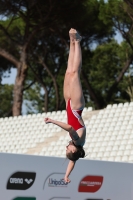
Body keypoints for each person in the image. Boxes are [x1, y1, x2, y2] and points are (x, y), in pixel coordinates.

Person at [44, 28, 86, 183]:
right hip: (76, 106)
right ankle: (78, 41)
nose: (66, 148)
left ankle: (72, 42)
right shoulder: (78, 141)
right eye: (68, 150)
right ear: (73, 149)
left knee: (69, 72)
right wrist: (52, 121)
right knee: (75, 73)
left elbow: (73, 161)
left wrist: (66, 175)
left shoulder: (76, 146)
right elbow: (69, 128)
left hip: (69, 104)